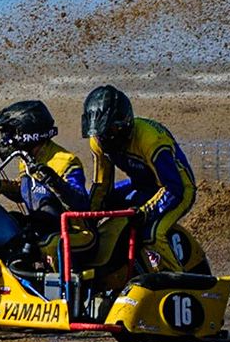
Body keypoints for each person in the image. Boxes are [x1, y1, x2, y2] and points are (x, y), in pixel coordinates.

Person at [80, 84, 196, 273]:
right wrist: (87, 220)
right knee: (88, 205)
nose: (103, 139)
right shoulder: (97, 141)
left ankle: (176, 282)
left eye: (108, 131)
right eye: (99, 134)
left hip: (178, 189)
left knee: (151, 235)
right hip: (142, 187)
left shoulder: (150, 140)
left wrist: (145, 212)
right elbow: (102, 187)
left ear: (123, 123)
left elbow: (174, 187)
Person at [0, 99, 93, 262]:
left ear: (27, 133)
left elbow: (82, 205)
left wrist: (55, 182)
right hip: (42, 227)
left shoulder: (66, 161)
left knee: (31, 247)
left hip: (75, 233)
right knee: (6, 226)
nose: (4, 141)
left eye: (8, 135)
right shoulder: (25, 157)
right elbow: (26, 191)